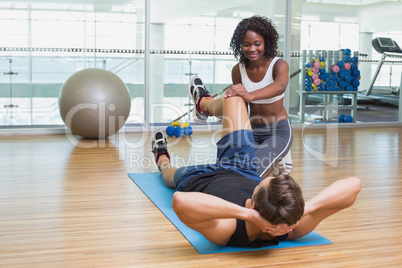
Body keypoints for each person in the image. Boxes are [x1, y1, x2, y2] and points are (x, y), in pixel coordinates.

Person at [151, 78, 361, 247]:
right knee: (234, 97)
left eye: (263, 182)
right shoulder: (293, 228)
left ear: (250, 203)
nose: (266, 177)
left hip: (199, 178)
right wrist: (300, 211)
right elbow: (354, 185)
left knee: (169, 175)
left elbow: (180, 201)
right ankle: (202, 104)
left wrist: (247, 215)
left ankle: (161, 156)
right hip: (242, 167)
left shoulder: (228, 229)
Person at [193, 16, 293, 178]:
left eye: (257, 44)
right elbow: (242, 105)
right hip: (251, 131)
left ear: (266, 42)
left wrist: (250, 95)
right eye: (247, 44)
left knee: (253, 174)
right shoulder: (238, 70)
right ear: (240, 45)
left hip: (277, 132)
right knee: (233, 168)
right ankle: (204, 104)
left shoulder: (279, 65)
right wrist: (229, 118)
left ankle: (278, 157)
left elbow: (280, 86)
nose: (252, 49)